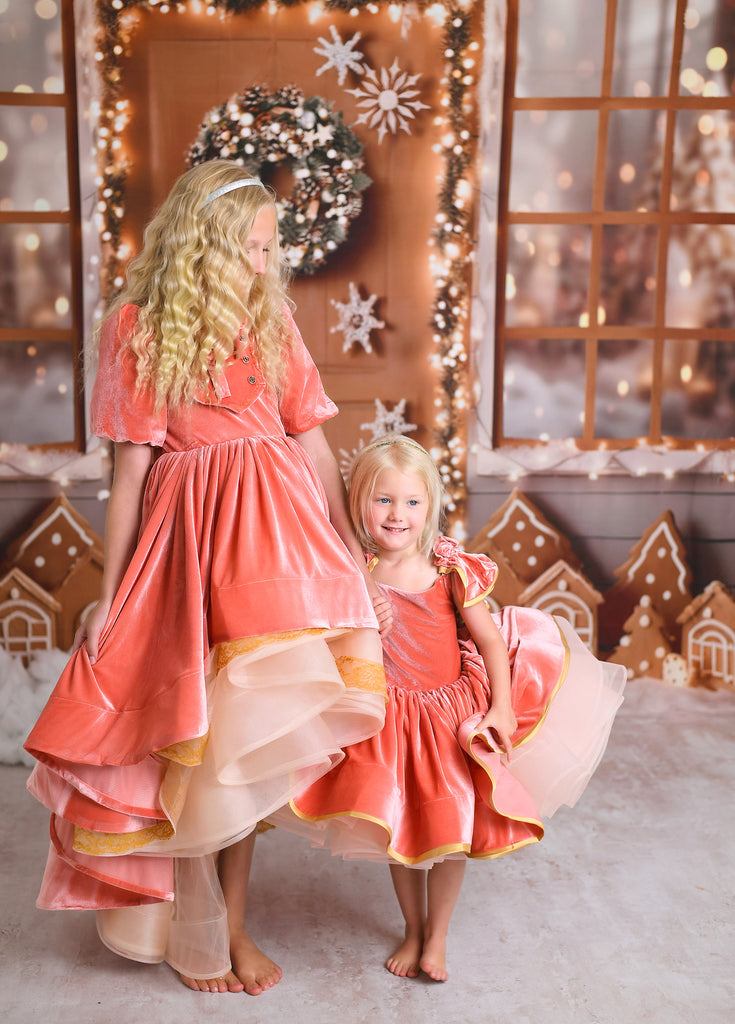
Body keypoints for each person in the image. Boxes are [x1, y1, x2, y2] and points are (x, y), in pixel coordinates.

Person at [24, 160, 391, 995]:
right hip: (193, 545)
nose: (264, 264)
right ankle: (201, 928)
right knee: (195, 743)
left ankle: (231, 924)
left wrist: (346, 550)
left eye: (268, 249)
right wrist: (112, 596)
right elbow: (129, 475)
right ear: (207, 243)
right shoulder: (138, 326)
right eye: (251, 249)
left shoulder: (272, 318)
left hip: (280, 544)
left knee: (244, 745)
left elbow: (310, 442)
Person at [270, 435, 626, 982]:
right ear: (359, 502)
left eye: (411, 502)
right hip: (391, 721)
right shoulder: (357, 571)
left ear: (430, 505)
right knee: (400, 829)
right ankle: (412, 929)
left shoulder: (450, 569)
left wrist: (501, 708)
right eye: (383, 500)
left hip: (448, 717)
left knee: (451, 829)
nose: (397, 514)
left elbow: (489, 643)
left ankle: (436, 936)